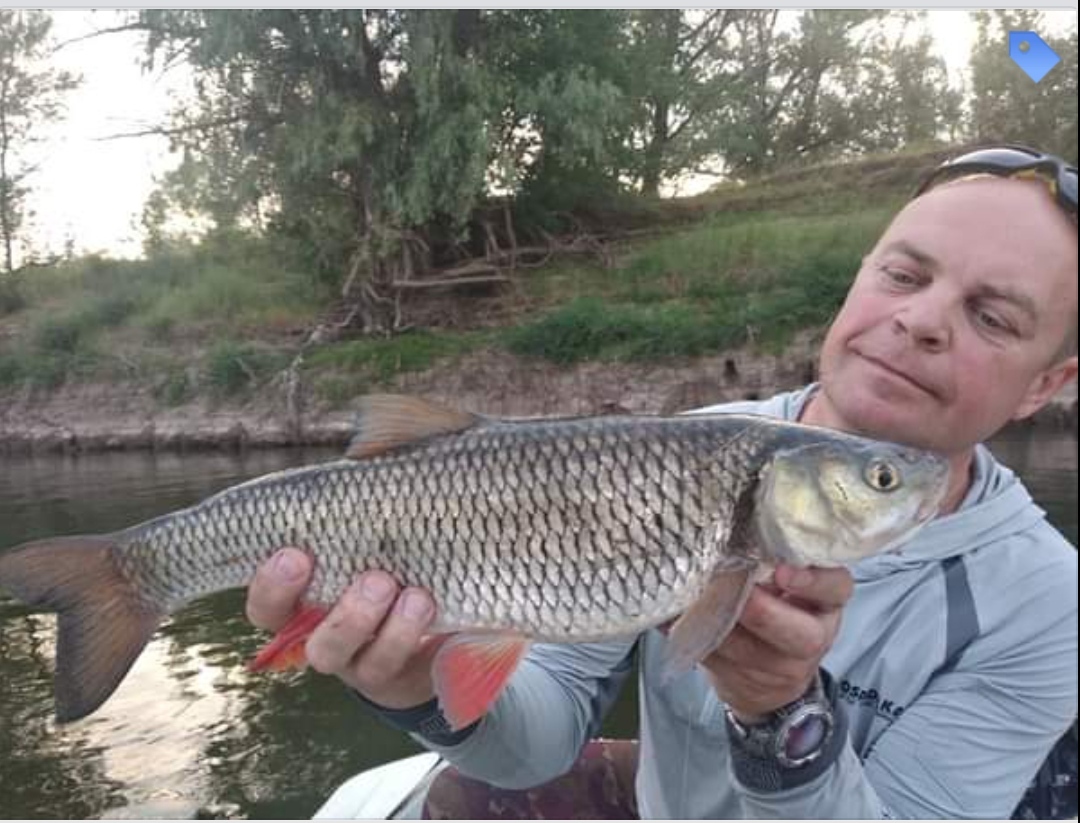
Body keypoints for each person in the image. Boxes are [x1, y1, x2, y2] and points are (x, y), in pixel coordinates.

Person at [246, 145, 1079, 818]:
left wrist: (780, 717)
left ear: (1048, 383)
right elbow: (536, 742)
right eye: (904, 274)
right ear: (861, 278)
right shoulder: (678, 454)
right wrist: (412, 686)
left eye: (993, 316)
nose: (923, 319)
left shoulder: (1051, 604)